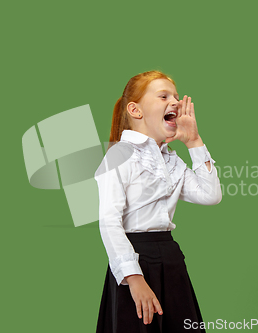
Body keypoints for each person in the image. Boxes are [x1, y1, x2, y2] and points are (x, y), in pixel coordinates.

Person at [94, 70, 222, 333]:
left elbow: (211, 195)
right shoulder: (120, 155)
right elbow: (109, 221)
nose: (175, 101)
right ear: (136, 110)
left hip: (170, 258)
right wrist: (134, 278)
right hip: (134, 260)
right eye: (163, 96)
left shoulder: (171, 160)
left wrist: (194, 141)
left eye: (176, 96)